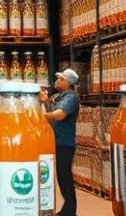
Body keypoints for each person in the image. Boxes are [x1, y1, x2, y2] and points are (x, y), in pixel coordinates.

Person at [40, 68, 81, 216]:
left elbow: (59, 115)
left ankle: (70, 211)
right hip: (58, 141)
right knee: (61, 176)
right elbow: (52, 109)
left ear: (69, 83)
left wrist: (41, 117)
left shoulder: (71, 98)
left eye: (61, 79)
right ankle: (67, 210)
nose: (57, 81)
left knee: (64, 176)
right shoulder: (60, 96)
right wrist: (45, 101)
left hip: (65, 142)